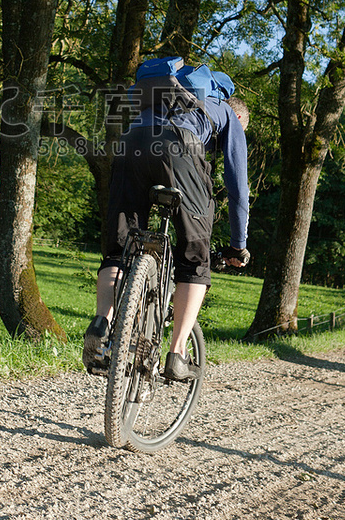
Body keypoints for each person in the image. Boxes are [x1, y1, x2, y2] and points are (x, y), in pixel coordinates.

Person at [83, 80, 250, 382]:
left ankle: (100, 325)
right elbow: (238, 187)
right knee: (195, 258)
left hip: (131, 142)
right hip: (178, 147)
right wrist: (238, 246)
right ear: (239, 118)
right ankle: (177, 355)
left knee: (119, 249)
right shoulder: (227, 114)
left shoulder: (163, 99)